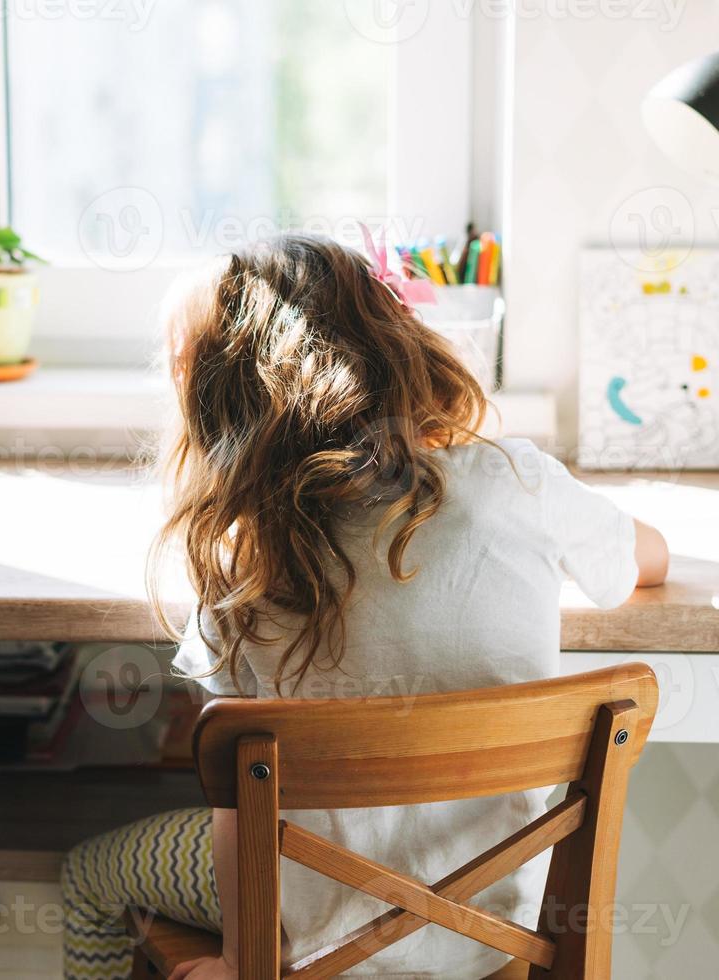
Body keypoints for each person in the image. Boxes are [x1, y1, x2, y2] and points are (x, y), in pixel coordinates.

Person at [61, 234, 669, 979]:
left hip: (313, 940)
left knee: (88, 874)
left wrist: (239, 962)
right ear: (399, 349)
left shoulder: (241, 573)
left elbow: (234, 814)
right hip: (493, 932)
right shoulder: (516, 484)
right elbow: (648, 558)